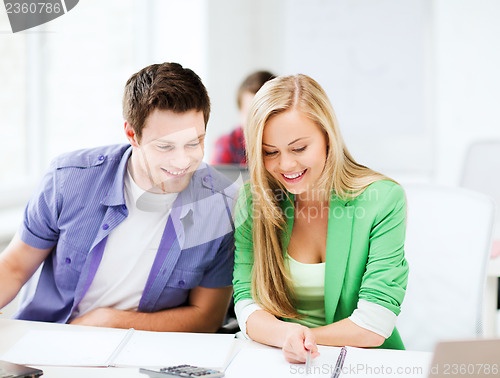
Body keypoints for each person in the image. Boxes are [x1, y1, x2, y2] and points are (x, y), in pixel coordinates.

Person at [0, 62, 237, 332]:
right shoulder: (69, 180)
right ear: (131, 134)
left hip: (147, 353)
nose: (182, 161)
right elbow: (14, 267)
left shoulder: (222, 206)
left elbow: (207, 318)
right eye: (165, 146)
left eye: (194, 143)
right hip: (51, 340)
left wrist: (110, 322)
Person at [232, 74, 409, 363]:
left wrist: (297, 339)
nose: (286, 164)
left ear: (328, 137)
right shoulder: (254, 200)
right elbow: (247, 302)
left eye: (299, 148)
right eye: (270, 152)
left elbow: (374, 324)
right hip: (278, 362)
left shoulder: (383, 199)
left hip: (363, 363)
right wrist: (285, 339)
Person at [211, 70, 275, 165]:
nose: (257, 122)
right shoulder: (227, 144)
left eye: (264, 114)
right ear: (240, 112)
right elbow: (214, 178)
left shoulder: (285, 142)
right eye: (249, 114)